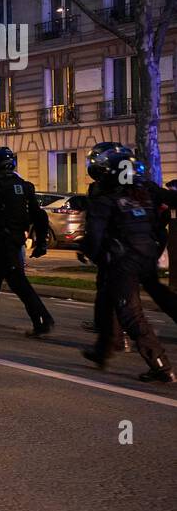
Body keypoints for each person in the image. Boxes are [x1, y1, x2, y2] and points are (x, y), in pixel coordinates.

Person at [80, 142, 176, 383]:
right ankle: (103, 350)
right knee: (106, 299)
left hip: (122, 260)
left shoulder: (104, 197)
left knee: (130, 313)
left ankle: (160, 365)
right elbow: (167, 206)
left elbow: (94, 235)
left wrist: (91, 252)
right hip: (146, 254)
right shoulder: (145, 190)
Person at [0, 146, 53, 337]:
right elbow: (40, 216)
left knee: (18, 282)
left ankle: (42, 320)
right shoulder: (24, 185)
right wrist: (41, 243)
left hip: (4, 239)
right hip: (16, 239)